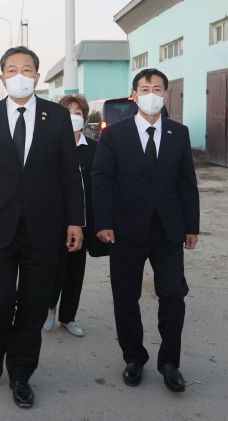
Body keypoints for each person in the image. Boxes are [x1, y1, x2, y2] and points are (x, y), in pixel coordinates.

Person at [0, 46, 84, 409]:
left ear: (37, 76)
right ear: (1, 77)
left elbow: (69, 175)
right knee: (0, 299)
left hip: (45, 227)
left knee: (32, 305)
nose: (19, 75)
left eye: (26, 69)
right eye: (11, 69)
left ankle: (21, 372)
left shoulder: (57, 118)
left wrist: (76, 220)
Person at [92, 68, 199, 393]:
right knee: (126, 297)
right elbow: (101, 180)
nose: (151, 94)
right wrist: (104, 222)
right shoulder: (114, 135)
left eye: (157, 88)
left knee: (173, 295)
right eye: (144, 88)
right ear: (134, 95)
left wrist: (191, 226)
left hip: (168, 231)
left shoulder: (178, 134)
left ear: (165, 94)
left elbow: (186, 183)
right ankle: (134, 358)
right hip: (125, 230)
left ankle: (170, 363)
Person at [44, 95, 110, 337]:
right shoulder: (50, 147)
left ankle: (68, 317)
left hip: (83, 222)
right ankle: (49, 310)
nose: (74, 116)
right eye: (68, 112)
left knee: (75, 272)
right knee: (54, 269)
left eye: (78, 112)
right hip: (55, 221)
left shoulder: (94, 148)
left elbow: (103, 185)